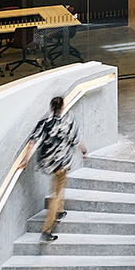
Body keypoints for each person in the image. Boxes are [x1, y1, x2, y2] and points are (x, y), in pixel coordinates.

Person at [20, 95, 88, 243]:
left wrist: (25, 161)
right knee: (56, 194)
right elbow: (76, 141)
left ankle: (59, 211)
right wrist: (84, 151)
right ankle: (47, 230)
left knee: (59, 187)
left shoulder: (45, 123)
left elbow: (32, 141)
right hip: (62, 163)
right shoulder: (68, 122)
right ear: (62, 107)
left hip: (49, 164)